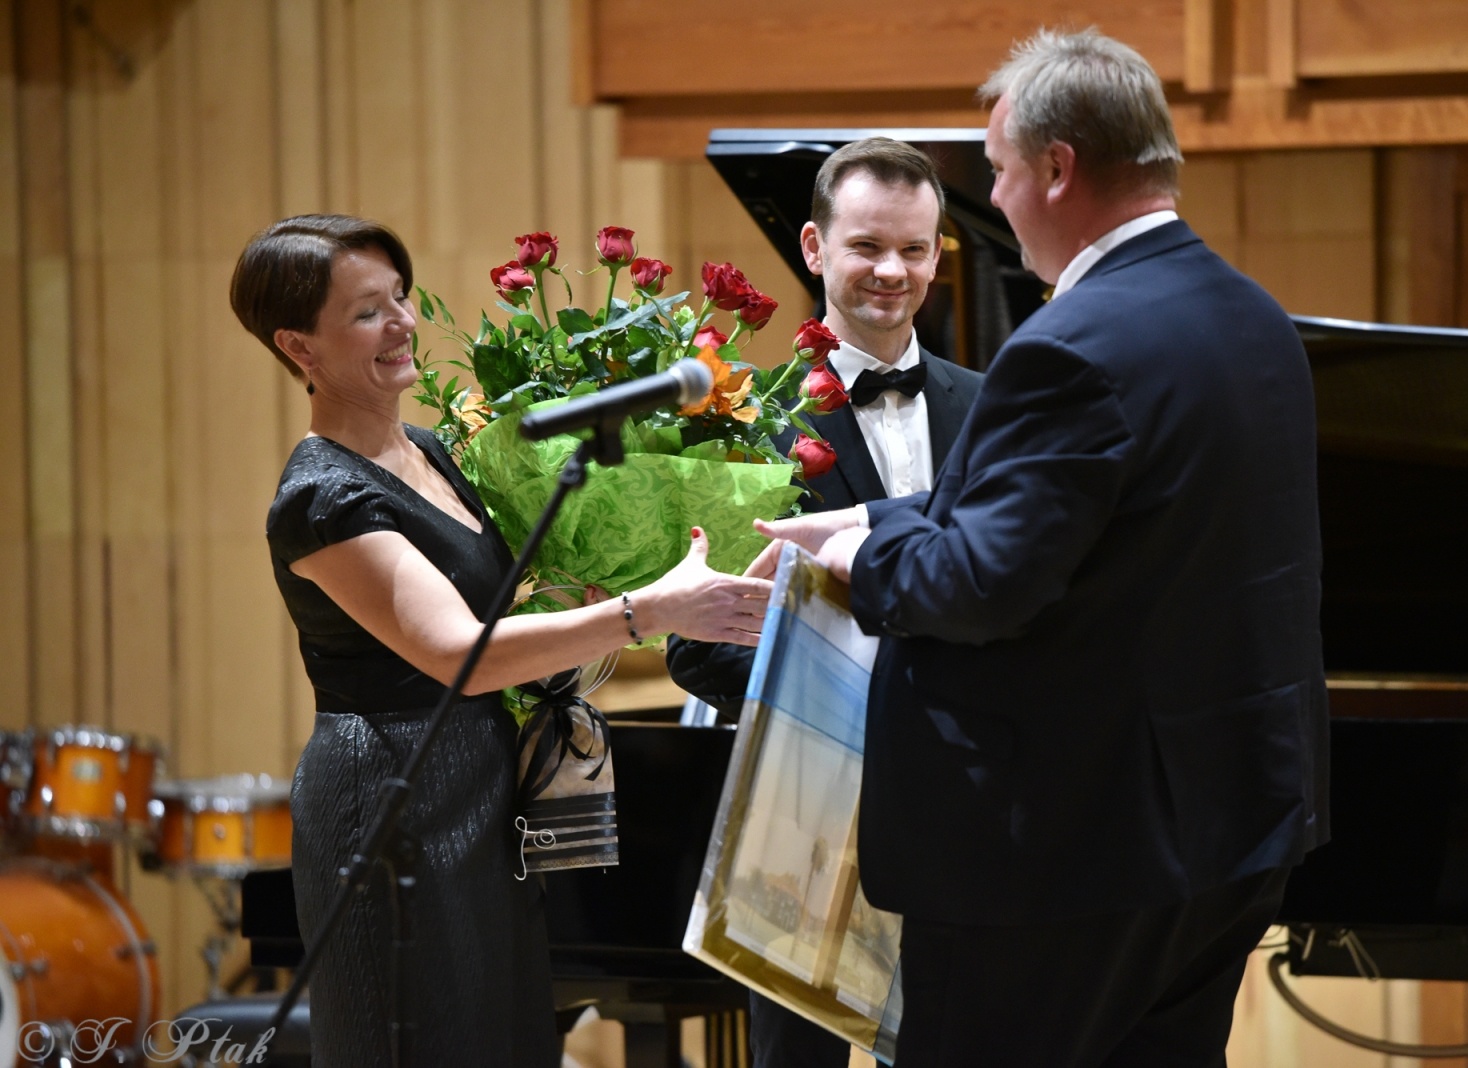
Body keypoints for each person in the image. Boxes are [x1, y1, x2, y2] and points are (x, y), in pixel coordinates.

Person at [750, 29, 1329, 1067]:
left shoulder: (1071, 343)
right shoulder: (1251, 316)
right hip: (1226, 824)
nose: (999, 201)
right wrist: (879, 517)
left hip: (1067, 853)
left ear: (1058, 169)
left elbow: (980, 588)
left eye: (1002, 172)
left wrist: (854, 561)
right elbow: (1113, 531)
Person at [231, 214, 770, 1068]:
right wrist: (646, 611)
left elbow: (499, 613)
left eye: (401, 298)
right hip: (393, 791)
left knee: (509, 1037)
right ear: (300, 348)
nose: (404, 323)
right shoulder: (321, 498)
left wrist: (587, 580)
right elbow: (461, 655)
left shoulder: (428, 450)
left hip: (484, 780)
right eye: (368, 312)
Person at [667, 138, 982, 1067]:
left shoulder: (998, 408)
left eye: (916, 249)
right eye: (867, 246)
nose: (893, 271)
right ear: (813, 247)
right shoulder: (744, 422)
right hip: (803, 813)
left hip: (963, 813)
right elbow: (696, 642)